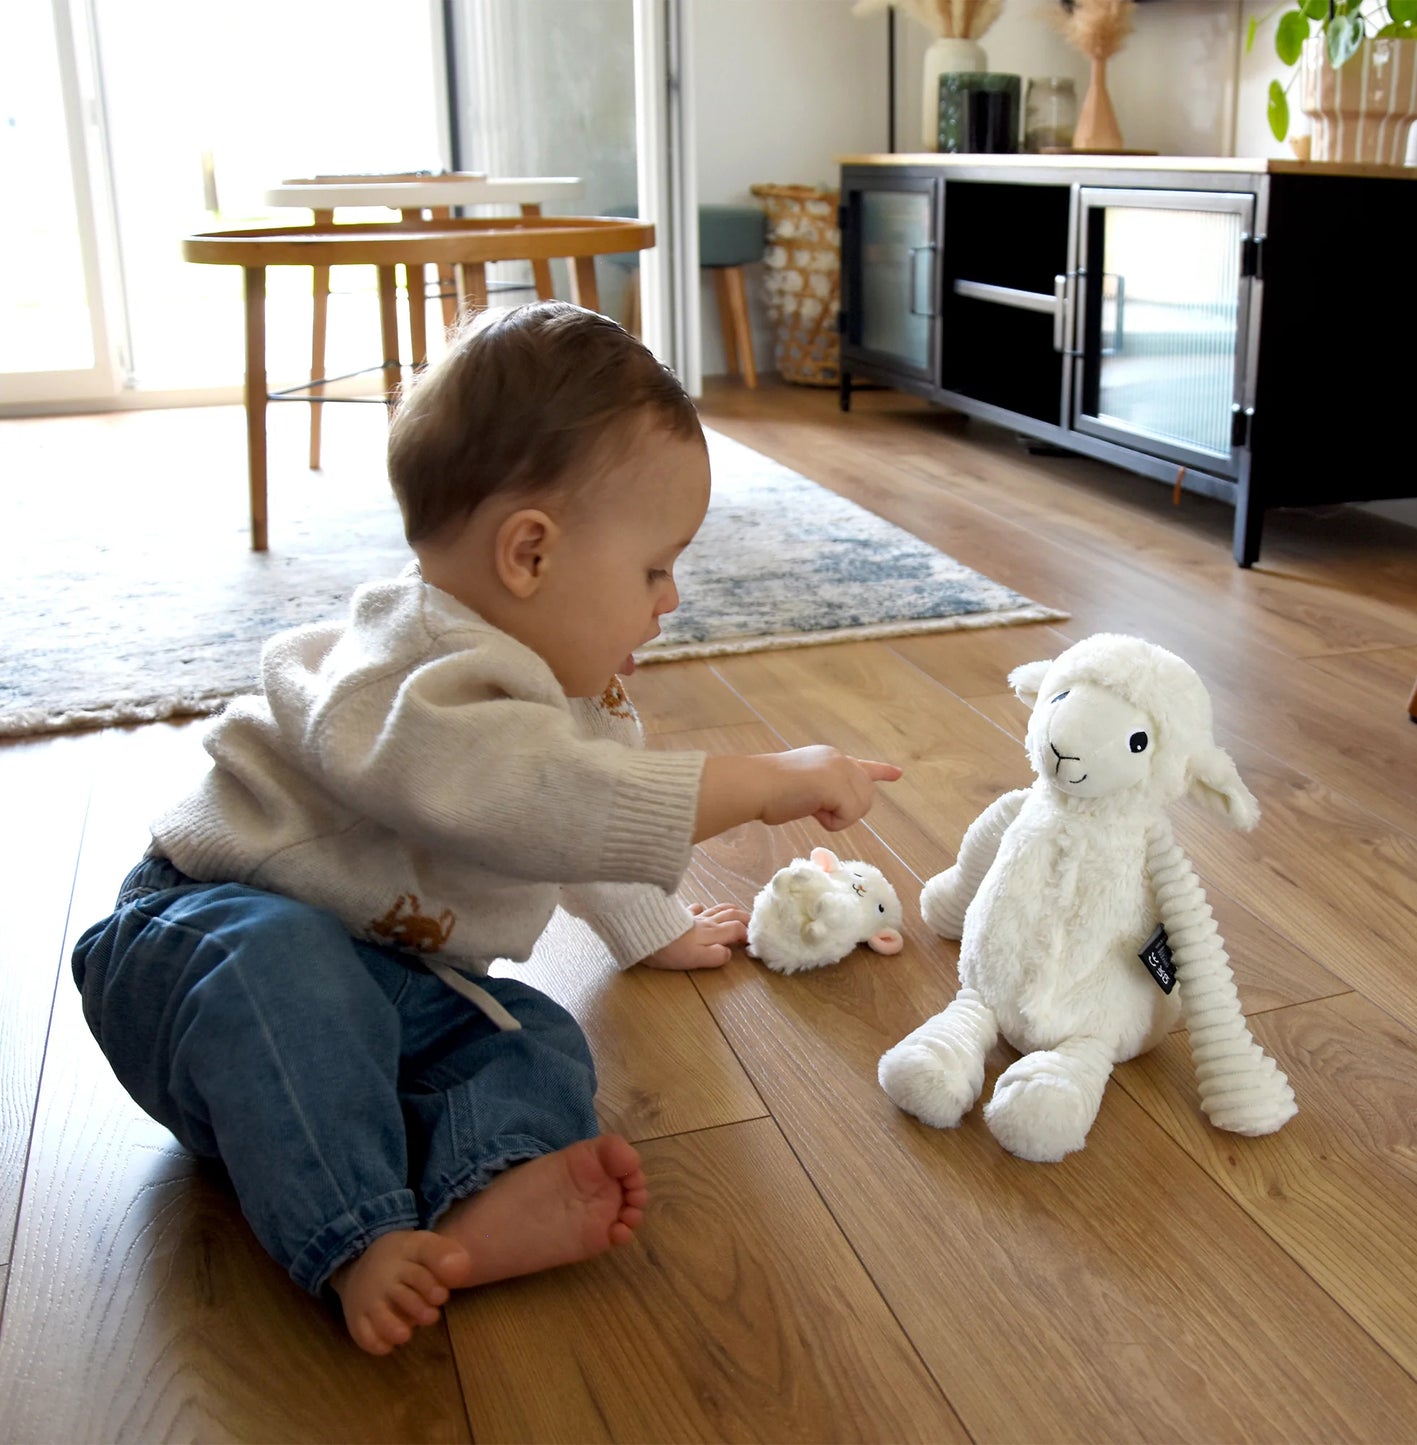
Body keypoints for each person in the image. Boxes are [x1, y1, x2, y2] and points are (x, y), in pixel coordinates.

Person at [71, 300, 901, 1357]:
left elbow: (565, 813)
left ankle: (472, 1200)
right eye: (653, 568)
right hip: (202, 951)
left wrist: (652, 928)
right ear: (529, 554)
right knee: (288, 971)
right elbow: (545, 797)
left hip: (381, 971)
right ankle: (356, 1233)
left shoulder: (558, 692)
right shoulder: (407, 674)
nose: (670, 598)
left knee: (534, 1035)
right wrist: (769, 779)